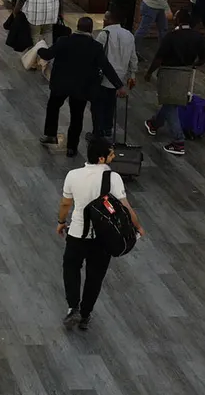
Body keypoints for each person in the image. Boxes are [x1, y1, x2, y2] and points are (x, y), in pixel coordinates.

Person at [56, 137, 144, 331]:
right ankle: (85, 315)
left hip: (77, 234)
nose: (114, 156)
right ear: (102, 159)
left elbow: (65, 204)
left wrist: (62, 222)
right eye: (112, 154)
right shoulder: (113, 178)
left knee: (71, 268)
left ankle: (73, 307)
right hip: (102, 239)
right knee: (95, 276)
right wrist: (137, 226)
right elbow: (125, 207)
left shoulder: (73, 175)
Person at [38, 17, 126, 158]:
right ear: (91, 30)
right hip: (82, 88)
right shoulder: (95, 47)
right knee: (77, 117)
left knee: (53, 107)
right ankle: (71, 148)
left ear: (77, 27)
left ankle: (50, 134)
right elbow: (106, 67)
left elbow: (47, 54)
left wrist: (39, 48)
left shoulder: (63, 41)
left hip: (61, 84)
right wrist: (119, 86)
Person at [143, 9, 205, 156]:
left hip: (169, 72)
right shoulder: (197, 37)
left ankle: (178, 141)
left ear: (178, 20)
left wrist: (149, 72)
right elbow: (203, 58)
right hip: (186, 73)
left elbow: (159, 58)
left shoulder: (171, 36)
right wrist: (193, 65)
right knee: (171, 102)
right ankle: (154, 123)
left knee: (171, 106)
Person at [92, 9, 138, 141]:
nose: (104, 20)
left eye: (106, 18)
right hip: (120, 76)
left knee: (99, 103)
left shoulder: (104, 34)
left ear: (111, 19)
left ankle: (99, 131)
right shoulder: (129, 35)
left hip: (104, 75)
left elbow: (97, 54)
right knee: (110, 103)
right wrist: (132, 74)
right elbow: (133, 57)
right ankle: (107, 128)